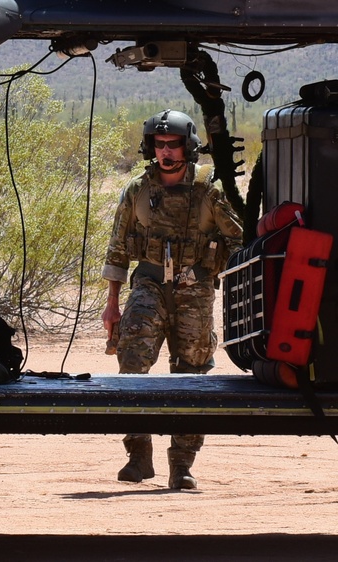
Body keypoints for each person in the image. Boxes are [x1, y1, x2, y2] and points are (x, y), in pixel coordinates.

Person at [100, 109, 243, 489]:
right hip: (148, 283)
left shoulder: (208, 192)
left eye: (173, 145)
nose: (166, 152)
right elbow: (117, 250)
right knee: (132, 363)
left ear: (188, 147)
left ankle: (181, 464)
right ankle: (138, 455)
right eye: (159, 145)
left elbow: (240, 242)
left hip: (195, 289)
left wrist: (210, 271)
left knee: (192, 375)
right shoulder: (138, 191)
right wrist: (112, 304)